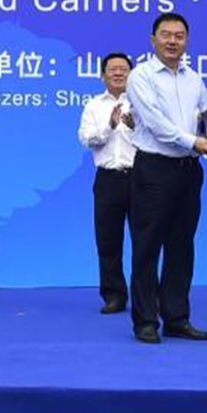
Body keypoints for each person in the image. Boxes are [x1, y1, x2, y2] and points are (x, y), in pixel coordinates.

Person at [124, 13, 207, 344]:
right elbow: (155, 123)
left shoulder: (194, 79)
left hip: (189, 171)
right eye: (166, 35)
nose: (173, 41)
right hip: (155, 169)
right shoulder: (141, 76)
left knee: (182, 246)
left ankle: (177, 317)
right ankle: (146, 320)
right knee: (147, 246)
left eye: (179, 36)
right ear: (153, 40)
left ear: (187, 41)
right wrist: (194, 141)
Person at [77, 52, 136, 314]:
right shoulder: (93, 105)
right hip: (108, 179)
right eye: (113, 69)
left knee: (146, 240)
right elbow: (86, 138)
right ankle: (114, 295)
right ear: (103, 75)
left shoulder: (142, 102)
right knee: (108, 240)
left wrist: (135, 127)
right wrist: (110, 126)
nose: (118, 73)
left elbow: (155, 137)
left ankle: (147, 295)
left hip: (141, 178)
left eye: (124, 69)